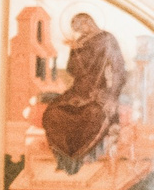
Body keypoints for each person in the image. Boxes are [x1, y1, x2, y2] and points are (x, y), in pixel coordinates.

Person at [43, 12, 128, 174]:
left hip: (98, 91)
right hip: (78, 91)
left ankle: (79, 160)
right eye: (75, 29)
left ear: (88, 21)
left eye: (79, 26)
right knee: (52, 113)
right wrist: (74, 51)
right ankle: (65, 160)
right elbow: (72, 70)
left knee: (93, 114)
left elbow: (119, 70)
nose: (78, 31)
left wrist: (112, 96)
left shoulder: (107, 40)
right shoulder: (80, 41)